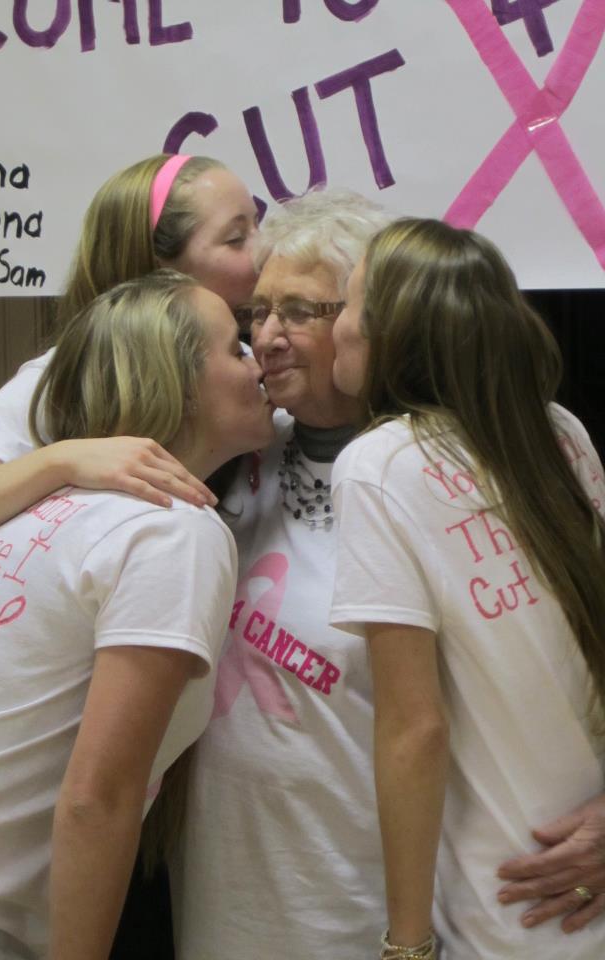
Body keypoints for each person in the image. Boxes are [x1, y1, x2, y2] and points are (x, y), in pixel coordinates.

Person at [0, 270, 275, 960]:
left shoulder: (22, 504)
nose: (259, 360)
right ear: (180, 382)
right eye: (236, 348)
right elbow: (99, 796)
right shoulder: (172, 532)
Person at [329, 217, 605, 958]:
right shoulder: (560, 434)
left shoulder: (379, 467)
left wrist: (408, 947)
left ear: (399, 334)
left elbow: (413, 730)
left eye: (350, 305)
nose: (339, 329)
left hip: (500, 913)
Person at [170, 188, 394, 959]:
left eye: (299, 311)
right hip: (224, 899)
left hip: (364, 908)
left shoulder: (434, 474)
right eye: (257, 313)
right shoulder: (242, 446)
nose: (266, 337)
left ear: (369, 318)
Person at [0, 152, 259, 579]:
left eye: (257, 225)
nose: (262, 253)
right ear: (160, 272)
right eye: (235, 239)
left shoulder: (255, 366)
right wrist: (59, 463)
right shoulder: (56, 383)